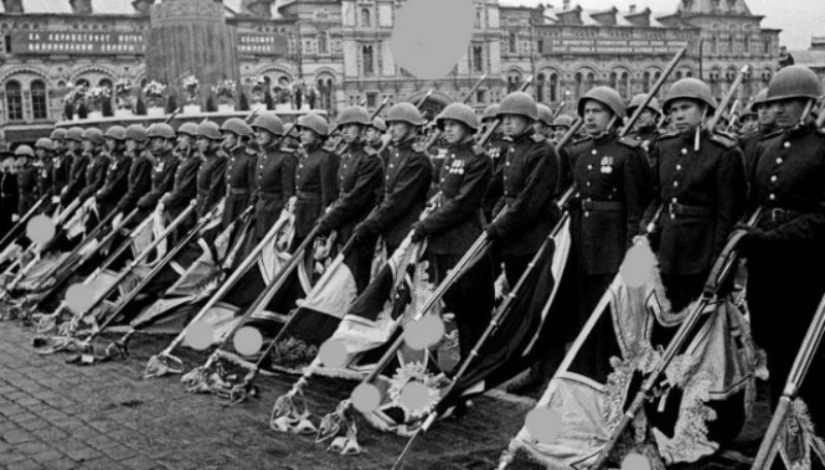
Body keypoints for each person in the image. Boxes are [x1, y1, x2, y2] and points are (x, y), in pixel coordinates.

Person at [739, 65, 825, 463]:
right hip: (767, 268)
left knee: (808, 356)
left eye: (789, 102)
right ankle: (778, 431)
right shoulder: (766, 147)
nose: (780, 110)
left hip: (806, 268)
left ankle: (810, 437)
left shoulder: (821, 148)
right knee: (773, 346)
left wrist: (775, 238)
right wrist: (746, 236)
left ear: (810, 104)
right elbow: (755, 204)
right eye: (775, 103)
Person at [643, 78, 747, 312]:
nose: (678, 115)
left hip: (702, 252)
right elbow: (657, 197)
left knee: (702, 319)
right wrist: (646, 230)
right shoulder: (664, 147)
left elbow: (729, 213)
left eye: (686, 108)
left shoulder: (724, 152)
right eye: (673, 110)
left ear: (704, 110)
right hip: (668, 249)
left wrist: (717, 260)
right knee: (665, 314)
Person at [411, 102, 494, 364]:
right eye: (445, 125)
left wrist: (426, 226)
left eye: (453, 125)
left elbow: (462, 204)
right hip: (444, 240)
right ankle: (462, 361)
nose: (447, 130)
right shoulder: (451, 154)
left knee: (472, 307)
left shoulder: (478, 158)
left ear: (468, 127)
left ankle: (472, 362)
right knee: (454, 303)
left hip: (464, 239)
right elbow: (443, 193)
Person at [315, 106, 384, 292]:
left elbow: (356, 198)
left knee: (357, 278)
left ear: (362, 129)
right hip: (343, 225)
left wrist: (327, 221)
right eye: (342, 127)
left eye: (349, 127)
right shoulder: (346, 157)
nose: (344, 131)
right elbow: (340, 193)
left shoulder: (371, 160)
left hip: (359, 227)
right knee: (341, 277)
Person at [353, 102, 433, 256]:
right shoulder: (397, 151)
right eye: (390, 124)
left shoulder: (418, 158)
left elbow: (399, 199)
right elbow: (385, 191)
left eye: (397, 124)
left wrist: (370, 225)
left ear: (411, 126)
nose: (391, 129)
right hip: (391, 225)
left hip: (406, 226)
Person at [293, 113, 339, 246]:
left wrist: (323, 220)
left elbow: (328, 195)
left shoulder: (326, 157)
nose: (301, 133)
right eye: (300, 130)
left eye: (306, 130)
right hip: (301, 214)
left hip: (314, 215)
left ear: (318, 135)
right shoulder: (306, 156)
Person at [250, 113, 297, 242]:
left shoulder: (286, 157)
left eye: (263, 131)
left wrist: (285, 219)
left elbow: (289, 193)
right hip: (261, 211)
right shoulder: (262, 156)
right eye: (257, 131)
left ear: (274, 133)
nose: (258, 135)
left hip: (277, 214)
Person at [159, 122, 202, 241]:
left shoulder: (195, 160)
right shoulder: (187, 159)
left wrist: (166, 201)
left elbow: (184, 190)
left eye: (183, 137)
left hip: (186, 213)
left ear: (192, 140)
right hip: (177, 211)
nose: (178, 140)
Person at [220, 118, 257, 230]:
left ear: (238, 137)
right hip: (230, 202)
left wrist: (249, 208)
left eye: (228, 134)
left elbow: (254, 188)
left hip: (242, 205)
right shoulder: (233, 156)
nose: (224, 137)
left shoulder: (250, 158)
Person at [137, 123, 179, 215]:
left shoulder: (174, 160)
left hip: (166, 207)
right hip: (154, 205)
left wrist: (148, 198)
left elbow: (165, 185)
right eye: (152, 140)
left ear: (166, 140)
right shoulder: (159, 159)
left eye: (156, 140)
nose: (152, 143)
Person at [115, 124, 154, 218]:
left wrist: (123, 202)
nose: (126, 143)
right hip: (133, 205)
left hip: (140, 208)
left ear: (138, 140)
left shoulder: (145, 160)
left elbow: (138, 188)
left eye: (129, 140)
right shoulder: (138, 158)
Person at [95, 126, 132, 219]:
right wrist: (99, 193)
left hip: (116, 202)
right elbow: (108, 181)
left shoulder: (125, 160)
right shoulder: (114, 158)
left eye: (110, 140)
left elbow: (117, 183)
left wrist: (100, 195)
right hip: (106, 201)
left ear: (119, 141)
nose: (107, 143)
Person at [193, 121, 228, 219]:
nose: (197, 142)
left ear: (212, 139)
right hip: (202, 206)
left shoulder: (220, 159)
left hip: (211, 211)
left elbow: (213, 191)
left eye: (201, 138)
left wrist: (204, 214)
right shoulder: (209, 158)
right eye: (197, 139)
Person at [59, 126, 88, 207]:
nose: (68, 145)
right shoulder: (75, 158)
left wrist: (67, 191)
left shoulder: (85, 158)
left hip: (79, 197)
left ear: (80, 142)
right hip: (72, 197)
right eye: (67, 141)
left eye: (71, 141)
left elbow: (77, 181)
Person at [14, 145, 39, 217]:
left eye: (22, 157)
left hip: (31, 200)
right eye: (19, 157)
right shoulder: (21, 170)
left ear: (29, 158)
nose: (20, 159)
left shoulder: (34, 169)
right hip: (22, 200)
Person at [34, 138, 55, 215]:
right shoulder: (41, 165)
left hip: (49, 201)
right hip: (41, 201)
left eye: (40, 149)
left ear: (48, 150)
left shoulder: (53, 164)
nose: (37, 152)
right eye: (37, 149)